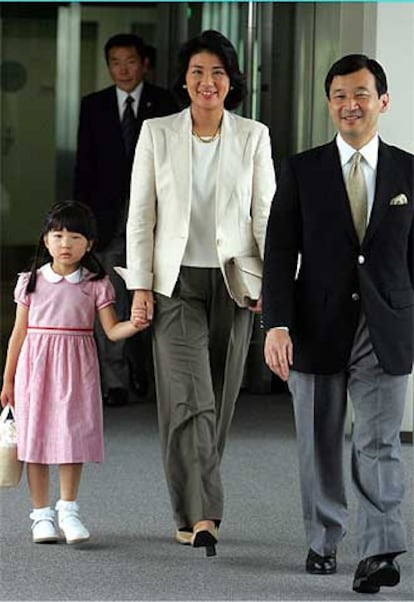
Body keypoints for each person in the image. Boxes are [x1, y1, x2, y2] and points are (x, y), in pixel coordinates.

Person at [117, 30, 276, 556]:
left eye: (217, 73)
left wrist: (270, 284)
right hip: (175, 283)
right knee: (192, 400)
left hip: (235, 282)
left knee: (220, 403)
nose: (207, 83)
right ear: (183, 80)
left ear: (231, 82)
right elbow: (141, 216)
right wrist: (140, 286)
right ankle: (207, 513)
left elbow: (266, 215)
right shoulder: (157, 133)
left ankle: (189, 511)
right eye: (197, 73)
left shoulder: (253, 135)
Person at [262, 54, 413, 594]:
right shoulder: (301, 169)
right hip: (315, 322)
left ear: (383, 101)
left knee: (377, 441)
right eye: (340, 96)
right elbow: (278, 252)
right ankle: (324, 537)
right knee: (320, 441)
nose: (351, 105)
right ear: (330, 104)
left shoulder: (409, 171)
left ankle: (379, 550)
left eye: (362, 95)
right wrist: (275, 324)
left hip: (385, 327)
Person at [0, 201, 147, 545]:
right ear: (46, 240)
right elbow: (18, 334)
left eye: (75, 236)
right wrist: (8, 380)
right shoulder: (31, 282)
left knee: (71, 437)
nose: (66, 243)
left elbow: (111, 331)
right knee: (34, 440)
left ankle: (68, 509)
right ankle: (41, 516)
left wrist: (135, 325)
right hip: (34, 368)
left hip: (76, 368)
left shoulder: (96, 284)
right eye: (58, 234)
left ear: (90, 244)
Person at [73, 33, 178, 406]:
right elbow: (83, 167)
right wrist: (82, 226)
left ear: (144, 63)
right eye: (115, 62)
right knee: (111, 302)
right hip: (108, 224)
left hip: (159, 222)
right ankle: (115, 381)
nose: (123, 69)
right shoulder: (94, 106)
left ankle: (145, 368)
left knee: (157, 298)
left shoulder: (166, 102)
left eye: (130, 61)